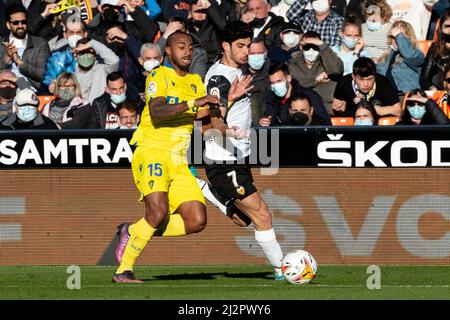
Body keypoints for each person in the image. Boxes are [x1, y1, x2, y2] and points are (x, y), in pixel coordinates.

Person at [113, 31, 221, 282]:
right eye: (181, 46)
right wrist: (194, 103)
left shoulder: (196, 81)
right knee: (158, 211)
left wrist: (226, 113)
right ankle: (124, 270)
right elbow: (158, 112)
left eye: (190, 47)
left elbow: (205, 122)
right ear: (168, 53)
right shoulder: (158, 75)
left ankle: (133, 230)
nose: (187, 51)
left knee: (196, 221)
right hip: (152, 152)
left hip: (179, 161)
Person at [204, 21, 285, 281]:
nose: (246, 51)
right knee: (262, 214)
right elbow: (212, 124)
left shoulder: (237, 72)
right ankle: (284, 270)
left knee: (243, 219)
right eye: (240, 46)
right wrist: (231, 101)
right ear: (225, 46)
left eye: (248, 46)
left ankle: (207, 191)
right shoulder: (219, 78)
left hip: (238, 156)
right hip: (223, 158)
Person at [288, 30, 344, 114]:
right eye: (307, 47)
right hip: (301, 112)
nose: (311, 50)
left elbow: (336, 70)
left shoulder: (327, 60)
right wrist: (316, 80)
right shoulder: (293, 62)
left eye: (315, 47)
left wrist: (322, 45)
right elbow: (297, 82)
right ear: (301, 47)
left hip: (326, 110)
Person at [259, 62, 331, 126]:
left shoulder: (309, 96)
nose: (276, 85)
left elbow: (325, 124)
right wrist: (264, 122)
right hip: (281, 138)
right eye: (272, 83)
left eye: (279, 81)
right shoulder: (269, 98)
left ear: (288, 78)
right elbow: (268, 118)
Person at [0, 4, 51, 91]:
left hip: (30, 91)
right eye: (16, 23)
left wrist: (20, 62)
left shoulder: (40, 44)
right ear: (8, 25)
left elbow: (43, 75)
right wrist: (7, 58)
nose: (20, 26)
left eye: (23, 22)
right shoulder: (1, 44)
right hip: (3, 91)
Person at [332, 57, 402, 117]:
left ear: (375, 76)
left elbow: (398, 110)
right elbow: (337, 109)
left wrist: (369, 108)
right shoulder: (344, 83)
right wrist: (339, 110)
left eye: (370, 79)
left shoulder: (382, 82)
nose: (366, 84)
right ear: (353, 77)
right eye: (361, 79)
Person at [376, 20, 424, 95]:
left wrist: (398, 35)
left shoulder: (417, 55)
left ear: (408, 38)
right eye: (393, 37)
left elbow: (409, 54)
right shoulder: (384, 59)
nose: (396, 40)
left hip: (407, 98)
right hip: (388, 100)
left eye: (400, 36)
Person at [73, 37, 120, 104]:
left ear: (95, 57)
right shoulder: (72, 77)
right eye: (82, 52)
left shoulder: (103, 70)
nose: (85, 55)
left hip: (99, 112)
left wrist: (92, 44)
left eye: (89, 52)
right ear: (75, 57)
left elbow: (114, 60)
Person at [420, 8, 450, 91]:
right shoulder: (435, 47)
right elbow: (424, 78)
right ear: (441, 27)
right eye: (447, 26)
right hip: (439, 92)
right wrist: (431, 87)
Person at [247, 40, 270, 125]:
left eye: (260, 53)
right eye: (252, 53)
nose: (256, 57)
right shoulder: (238, 73)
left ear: (266, 53)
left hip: (265, 123)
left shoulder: (273, 73)